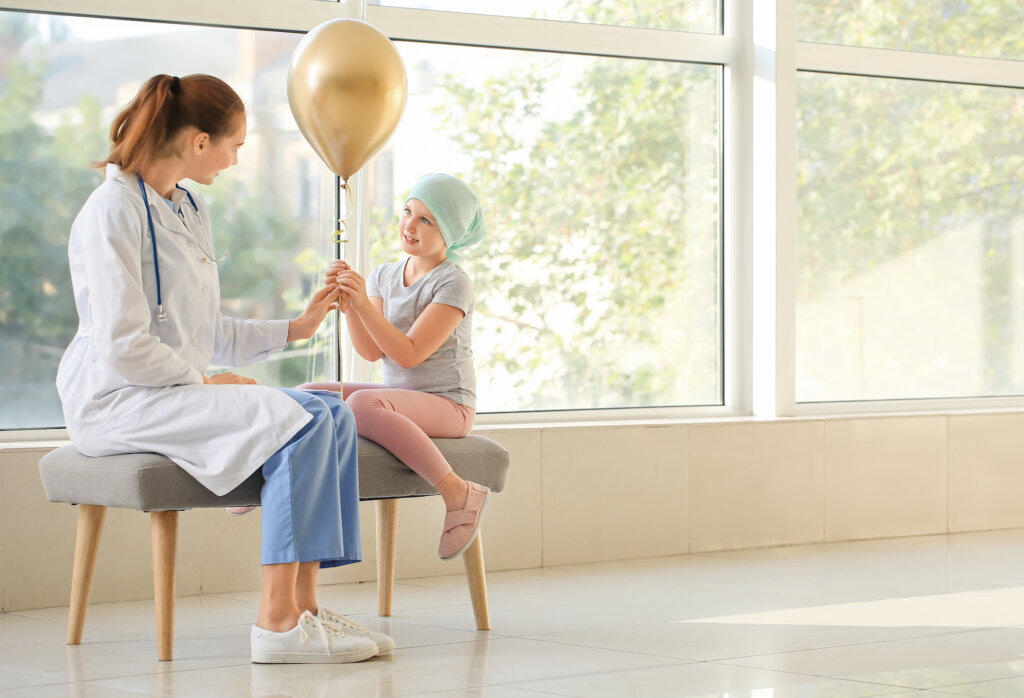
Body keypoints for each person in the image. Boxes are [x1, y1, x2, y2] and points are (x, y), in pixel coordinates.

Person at [55, 73, 393, 664]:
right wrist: (206, 381)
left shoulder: (188, 207)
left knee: (332, 413)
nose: (238, 158)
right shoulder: (111, 211)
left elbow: (205, 331)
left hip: (168, 390)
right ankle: (275, 622)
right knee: (306, 421)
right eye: (235, 144)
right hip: (118, 397)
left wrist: (298, 328)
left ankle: (307, 607)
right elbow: (123, 345)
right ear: (198, 141)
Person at [300, 173, 490, 561]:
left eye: (427, 220)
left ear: (450, 232)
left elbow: (408, 354)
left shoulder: (453, 283)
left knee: (364, 405)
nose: (410, 225)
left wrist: (364, 306)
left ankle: (458, 491)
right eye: (408, 211)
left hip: (448, 406)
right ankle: (270, 475)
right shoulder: (384, 275)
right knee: (308, 395)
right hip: (402, 400)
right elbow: (370, 351)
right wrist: (350, 303)